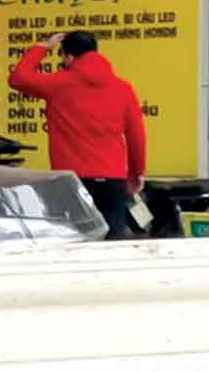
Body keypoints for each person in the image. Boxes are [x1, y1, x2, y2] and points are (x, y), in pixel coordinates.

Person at [8, 29, 148, 237]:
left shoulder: (58, 84)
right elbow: (137, 135)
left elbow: (18, 79)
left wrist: (43, 47)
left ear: (69, 57)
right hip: (113, 179)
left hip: (71, 181)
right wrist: (137, 172)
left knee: (73, 240)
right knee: (113, 242)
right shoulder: (123, 88)